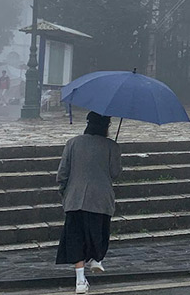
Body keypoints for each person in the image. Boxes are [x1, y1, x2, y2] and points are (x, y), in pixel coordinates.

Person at [56, 111, 122, 294]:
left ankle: (80, 281)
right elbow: (115, 173)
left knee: (76, 237)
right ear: (107, 126)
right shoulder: (112, 146)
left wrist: (64, 192)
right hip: (101, 200)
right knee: (98, 233)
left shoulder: (73, 143)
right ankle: (96, 259)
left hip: (75, 198)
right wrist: (113, 150)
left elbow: (62, 173)